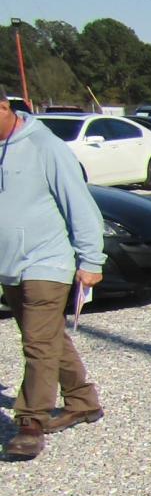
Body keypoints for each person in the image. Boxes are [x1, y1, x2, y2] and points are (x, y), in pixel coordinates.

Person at [0, 93, 106, 460]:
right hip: (9, 265)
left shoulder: (46, 147)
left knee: (37, 342)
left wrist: (91, 259)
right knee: (48, 338)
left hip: (48, 261)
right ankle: (82, 400)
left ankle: (30, 422)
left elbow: (81, 204)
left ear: (4, 108)